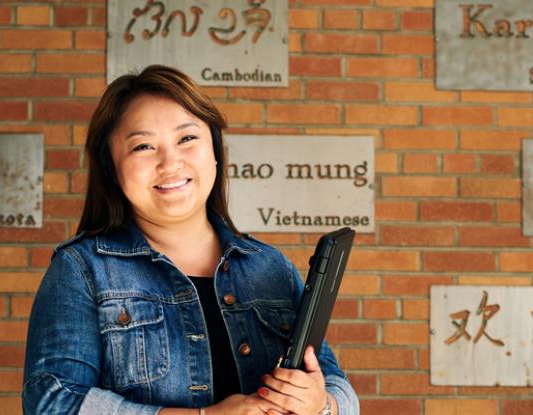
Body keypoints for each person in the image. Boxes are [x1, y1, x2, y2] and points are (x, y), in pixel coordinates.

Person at [22, 65, 359, 415]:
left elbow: (337, 387)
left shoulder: (269, 267)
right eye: (143, 146)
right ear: (112, 168)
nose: (171, 162)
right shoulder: (81, 270)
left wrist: (321, 403)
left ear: (214, 149)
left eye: (187, 139)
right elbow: (51, 402)